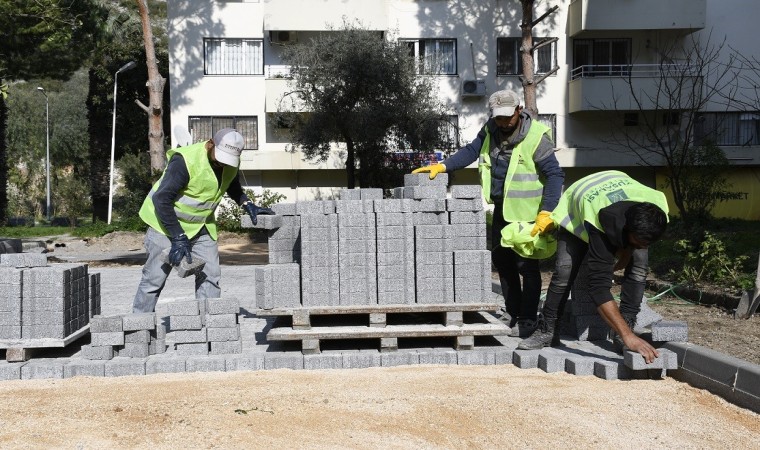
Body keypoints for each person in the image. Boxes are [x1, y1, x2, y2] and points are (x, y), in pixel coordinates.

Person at [413, 89, 564, 337]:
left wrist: (546, 212)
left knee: (526, 266)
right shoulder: (490, 130)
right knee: (503, 261)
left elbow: (555, 175)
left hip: (528, 214)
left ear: (518, 111)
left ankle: (528, 319)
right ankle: (513, 312)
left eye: (508, 117)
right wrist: (443, 166)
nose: (504, 122)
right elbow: (472, 151)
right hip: (503, 209)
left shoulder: (536, 137)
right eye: (498, 118)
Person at [517, 170, 669, 363]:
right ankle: (547, 329)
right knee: (565, 270)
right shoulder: (602, 218)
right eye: (638, 241)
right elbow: (598, 288)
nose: (643, 246)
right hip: (577, 206)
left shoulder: (656, 208)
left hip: (621, 192)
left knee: (639, 267)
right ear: (626, 229)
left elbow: (637, 243)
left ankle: (626, 326)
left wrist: (629, 250)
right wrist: (629, 338)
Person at [132, 128, 274, 313]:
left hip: (201, 226)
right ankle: (138, 330)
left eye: (227, 162)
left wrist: (246, 203)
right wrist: (178, 237)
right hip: (165, 224)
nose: (222, 165)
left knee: (211, 275)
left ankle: (209, 328)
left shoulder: (230, 162)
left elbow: (230, 184)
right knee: (154, 279)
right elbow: (162, 199)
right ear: (210, 144)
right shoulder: (184, 161)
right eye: (219, 159)